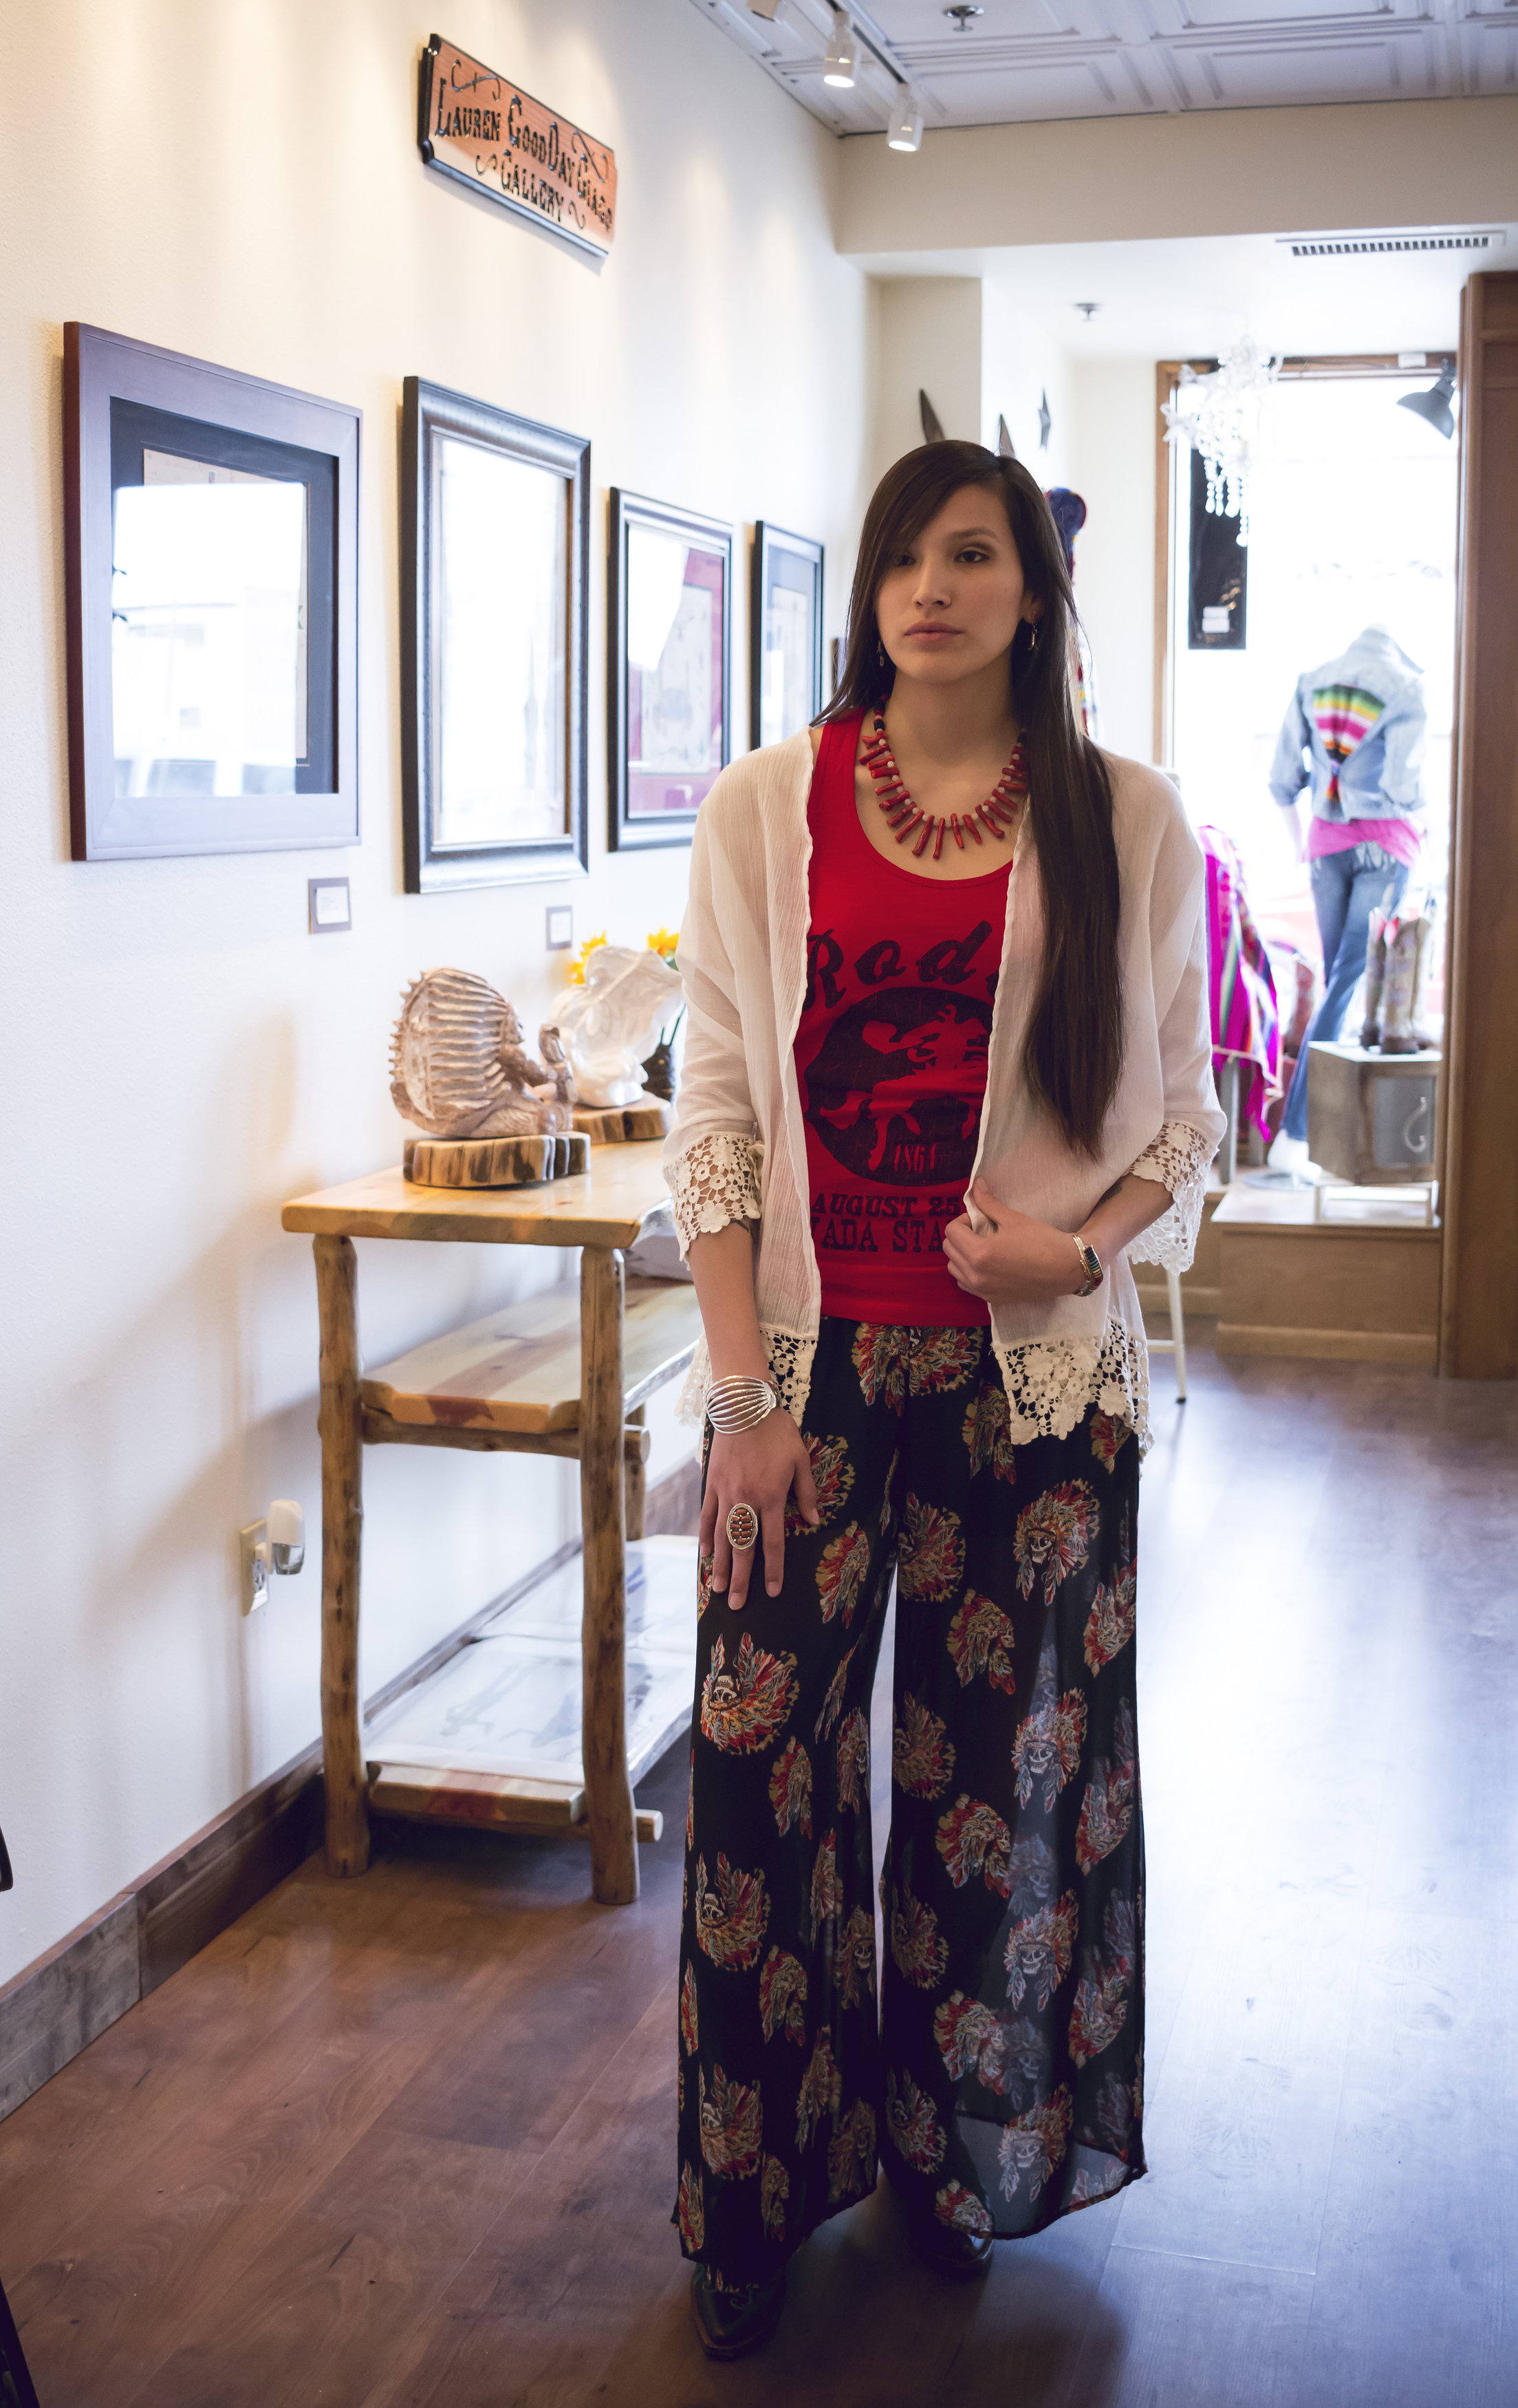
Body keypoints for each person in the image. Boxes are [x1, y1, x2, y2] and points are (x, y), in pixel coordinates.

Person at [663, 440, 1224, 2361]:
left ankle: (949, 2153)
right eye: (903, 553)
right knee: (756, 1776)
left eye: (970, 553)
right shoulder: (764, 807)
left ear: (1032, 594)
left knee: (998, 1783)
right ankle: (751, 2194)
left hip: (1029, 1389)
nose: (929, 585)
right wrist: (740, 1394)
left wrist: (1079, 1251)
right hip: (806, 1379)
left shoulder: (1123, 817)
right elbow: (715, 1116)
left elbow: (1184, 1115)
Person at [1265, 625, 1426, 1170]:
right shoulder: (1406, 687)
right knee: (1344, 985)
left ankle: (1312, 1139)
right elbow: (1402, 789)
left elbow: (1282, 779)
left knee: (1340, 984)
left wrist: (1301, 844)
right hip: (1385, 846)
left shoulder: (1312, 681)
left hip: (1324, 849)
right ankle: (1297, 1134)